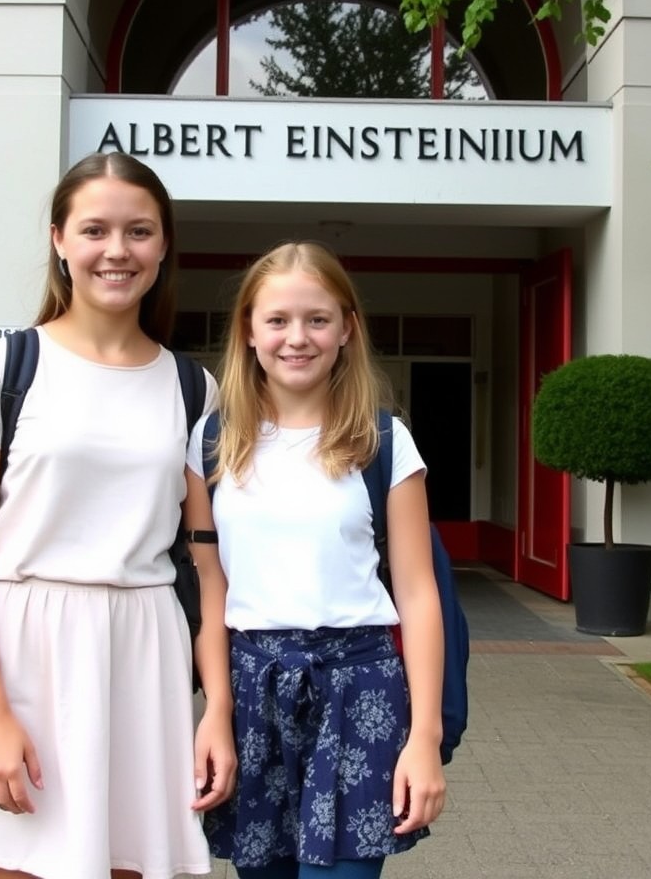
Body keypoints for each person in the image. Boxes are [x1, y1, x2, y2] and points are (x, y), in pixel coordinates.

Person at [0, 151, 236, 879]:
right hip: (27, 650)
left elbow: (210, 566)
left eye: (139, 232)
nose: (117, 251)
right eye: (94, 230)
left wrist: (216, 707)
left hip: (144, 651)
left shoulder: (195, 389)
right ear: (60, 239)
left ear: (163, 246)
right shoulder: (4, 370)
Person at [182, 241, 446, 879]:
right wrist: (216, 711)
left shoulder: (384, 440)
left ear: (346, 328)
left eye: (317, 319)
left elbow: (418, 593)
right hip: (254, 689)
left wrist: (426, 739)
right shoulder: (213, 441)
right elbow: (210, 589)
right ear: (249, 330)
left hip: (360, 689)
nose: (296, 338)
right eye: (277, 320)